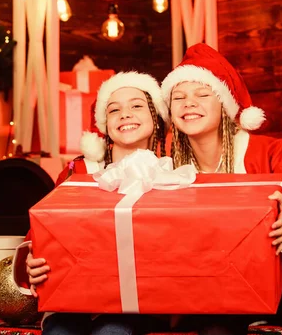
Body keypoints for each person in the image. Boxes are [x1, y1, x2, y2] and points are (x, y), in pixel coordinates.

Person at [160, 43, 282, 335]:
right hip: (210, 287)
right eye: (179, 97)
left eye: (202, 94)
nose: (189, 103)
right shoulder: (165, 164)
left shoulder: (270, 151)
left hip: (280, 281)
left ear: (225, 106)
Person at [16, 71, 171, 335]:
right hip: (73, 302)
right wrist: (31, 261)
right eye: (114, 110)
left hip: (140, 305)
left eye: (136, 105)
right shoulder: (78, 172)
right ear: (105, 124)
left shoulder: (172, 176)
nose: (125, 114)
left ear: (155, 117)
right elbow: (41, 234)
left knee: (112, 331)